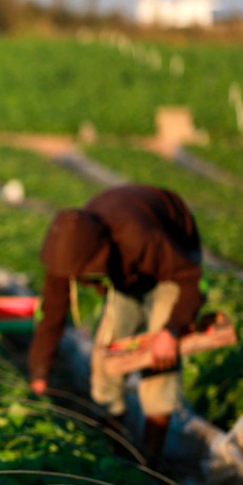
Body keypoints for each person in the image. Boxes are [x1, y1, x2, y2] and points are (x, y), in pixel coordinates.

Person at [28, 184, 203, 465]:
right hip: (127, 268)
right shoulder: (69, 248)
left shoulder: (142, 239)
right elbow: (52, 313)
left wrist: (170, 331)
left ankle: (150, 460)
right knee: (106, 352)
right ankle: (113, 443)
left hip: (173, 261)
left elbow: (191, 280)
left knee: (160, 359)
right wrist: (39, 375)